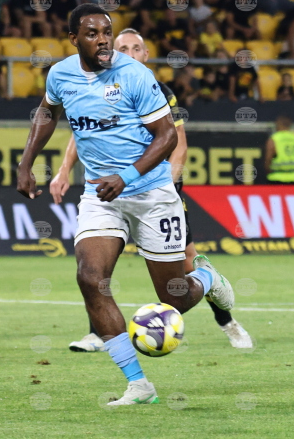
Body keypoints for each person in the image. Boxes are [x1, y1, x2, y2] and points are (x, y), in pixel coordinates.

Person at [17, 4, 235, 405]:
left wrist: (127, 177)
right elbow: (47, 111)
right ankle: (139, 384)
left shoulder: (135, 75)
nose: (102, 40)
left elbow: (167, 136)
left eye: (106, 32)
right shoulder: (61, 74)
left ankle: (207, 279)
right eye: (92, 34)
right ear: (73, 39)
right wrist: (26, 162)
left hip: (150, 193)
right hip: (100, 195)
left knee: (174, 298)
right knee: (90, 277)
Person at [52, 28, 252, 352]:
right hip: (112, 191)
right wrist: (63, 170)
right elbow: (82, 132)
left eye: (136, 48)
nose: (130, 53)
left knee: (187, 262)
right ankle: (98, 333)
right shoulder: (96, 85)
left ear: (146, 55)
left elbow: (178, 143)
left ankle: (226, 320)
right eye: (123, 48)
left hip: (155, 190)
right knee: (98, 264)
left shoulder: (160, 90)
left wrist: (164, 183)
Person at [264, 115, 294, 184]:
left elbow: (268, 159)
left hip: (276, 177)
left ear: (278, 124)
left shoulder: (274, 139)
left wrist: (267, 170)